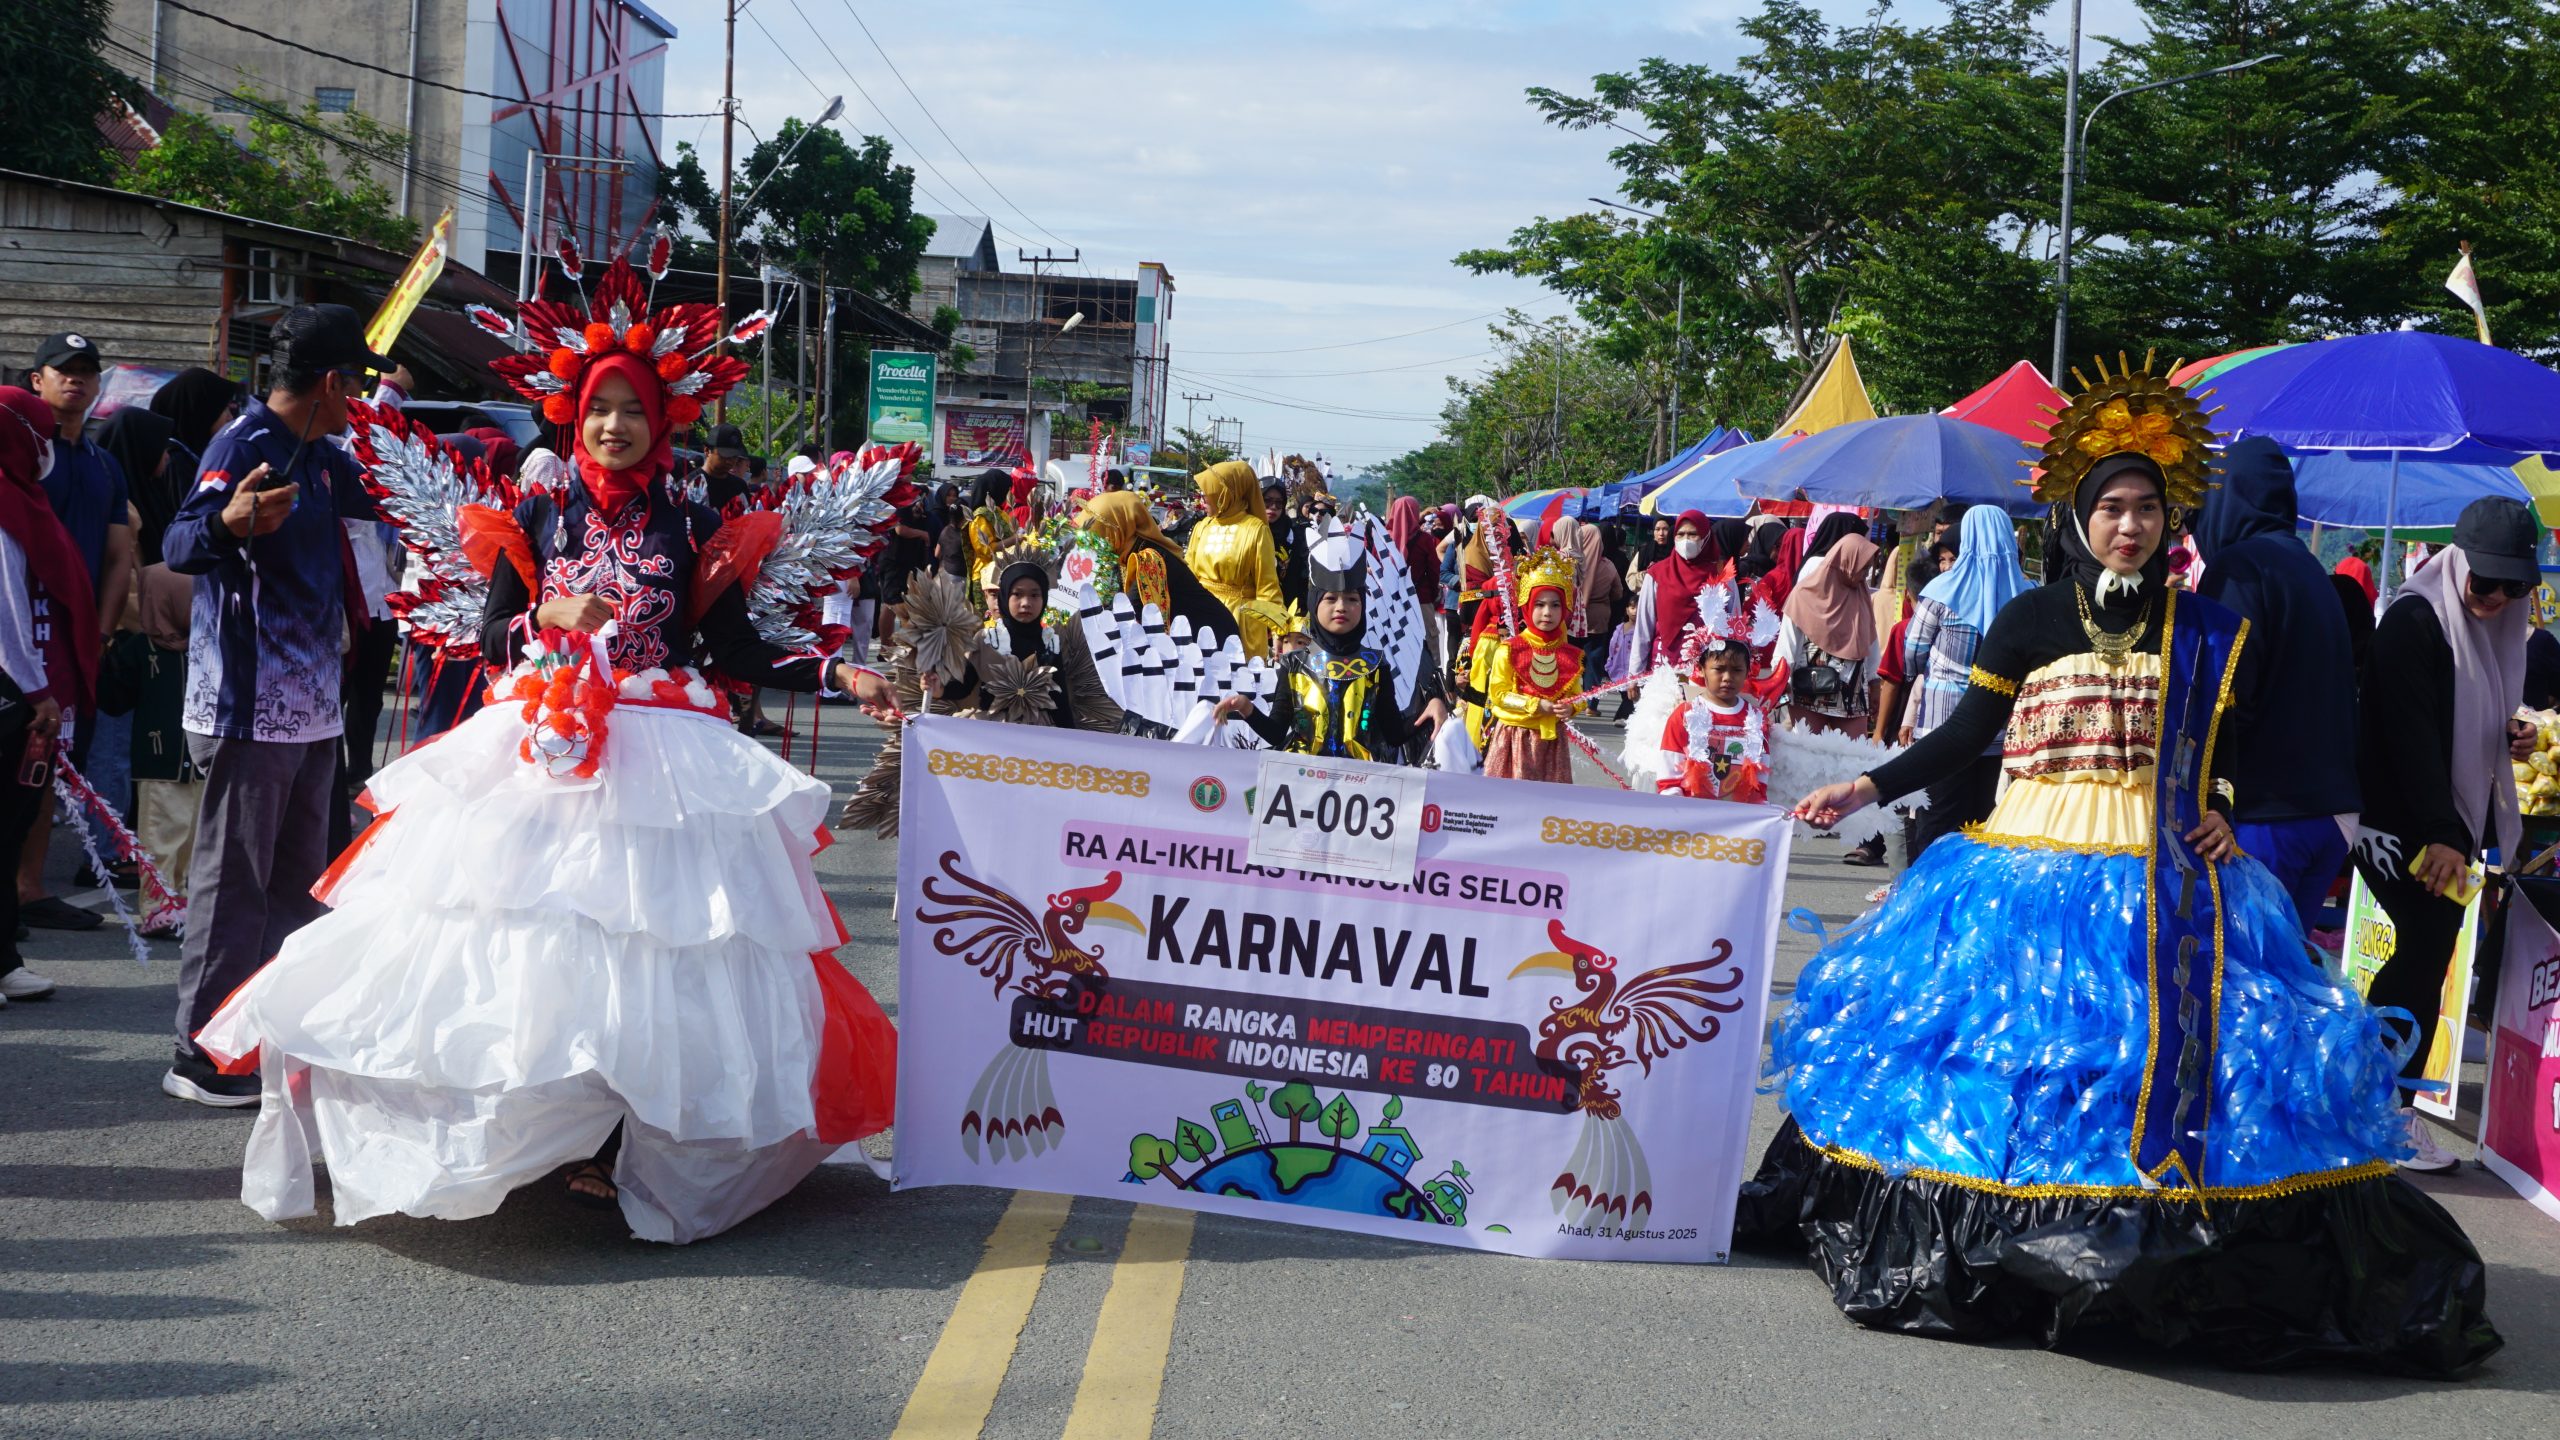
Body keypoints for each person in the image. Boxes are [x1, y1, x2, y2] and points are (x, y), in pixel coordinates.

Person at [1754, 366, 2498, 1373]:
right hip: (2024, 863)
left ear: (2170, 518)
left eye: (2148, 509)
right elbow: (1967, 735)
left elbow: (2224, 757)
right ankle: (2010, 1248)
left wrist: (2225, 815)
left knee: (2171, 1057)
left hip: (2170, 876)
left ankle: (2157, 1259)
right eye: (2110, 508)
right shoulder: (2026, 622)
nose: (2129, 527)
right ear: (2077, 514)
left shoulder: (2207, 626)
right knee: (2020, 1056)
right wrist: (1865, 789)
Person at [193, 265, 901, 1239]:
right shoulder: (540, 514)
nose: (614, 425)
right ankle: (532, 1130)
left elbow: (731, 651)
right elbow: (490, 638)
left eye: (632, 410)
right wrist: (545, 616)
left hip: (664, 757)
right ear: (575, 417)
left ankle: (620, 1139)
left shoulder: (692, 525)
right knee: (522, 946)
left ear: (662, 421)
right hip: (542, 742)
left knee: (654, 953)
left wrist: (843, 678)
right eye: (599, 409)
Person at [156, 306, 384, 1104]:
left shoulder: (323, 454)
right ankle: (200, 1054)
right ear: (332, 381)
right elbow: (180, 545)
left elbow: (389, 508)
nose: (361, 399)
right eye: (357, 384)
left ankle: (271, 1033)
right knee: (235, 882)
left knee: (299, 885)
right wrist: (228, 519)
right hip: (248, 708)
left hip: (314, 708)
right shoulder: (242, 444)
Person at [2354, 496, 2542, 1175]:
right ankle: (2385, 1111)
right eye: (2483, 581)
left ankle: (2376, 1104)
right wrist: (2440, 835)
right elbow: (2409, 739)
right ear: (2454, 562)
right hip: (2403, 824)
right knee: (2427, 947)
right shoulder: (2414, 620)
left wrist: (2507, 734)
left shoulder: (2483, 629)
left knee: (2431, 951)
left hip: (2446, 827)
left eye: (2513, 585)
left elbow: (2461, 718)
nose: (2495, 597)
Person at [2195, 438, 2361, 931]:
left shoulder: (2240, 567)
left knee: (2241, 983)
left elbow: (2227, 694)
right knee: (2285, 983)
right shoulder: (2305, 565)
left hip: (2266, 814)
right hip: (2330, 813)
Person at [23, 333, 135, 932]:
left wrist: (102, 630)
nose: (77, 381)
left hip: (75, 638)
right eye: (64, 371)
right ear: (36, 379)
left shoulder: (102, 462)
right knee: (15, 759)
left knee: (52, 762)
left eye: (88, 372)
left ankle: (28, 888)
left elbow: (120, 555)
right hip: (19, 629)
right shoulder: (22, 449)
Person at [0, 388, 98, 1003]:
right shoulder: (5, 504)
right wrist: (39, 692)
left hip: (17, 689)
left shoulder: (22, 500)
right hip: (11, 691)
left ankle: (3, 955)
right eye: (40, 432)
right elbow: (7, 611)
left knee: (8, 831)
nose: (48, 446)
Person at [1220, 533, 1445, 759]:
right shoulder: (1294, 664)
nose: (1341, 607)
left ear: (1362, 605)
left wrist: (1430, 708)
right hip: (1301, 781)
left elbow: (1394, 734)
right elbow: (1277, 734)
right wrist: (1246, 707)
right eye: (1330, 599)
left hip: (1361, 785)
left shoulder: (1376, 665)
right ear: (1315, 603)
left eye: (1352, 599)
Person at [1900, 506, 2027, 854]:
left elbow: (1912, 653)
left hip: (1944, 725)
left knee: (1937, 819)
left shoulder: (1942, 590)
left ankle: (1925, 900)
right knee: (1985, 822)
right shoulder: (2028, 592)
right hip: (2001, 727)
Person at [1474, 546, 1582, 783]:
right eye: (1539, 604)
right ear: (1527, 606)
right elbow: (1499, 694)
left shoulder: (1571, 655)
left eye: (1555, 605)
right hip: (1514, 738)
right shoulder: (1510, 649)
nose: (1547, 613)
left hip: (1552, 742)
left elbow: (1577, 695)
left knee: (1549, 811)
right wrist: (1535, 704)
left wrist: (1571, 708)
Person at [1078, 490, 1236, 643]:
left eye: (1096, 536)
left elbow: (1124, 611)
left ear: (1115, 529)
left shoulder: (1150, 560)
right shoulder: (1127, 554)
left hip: (1214, 641)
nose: (1093, 546)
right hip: (1195, 638)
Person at [1653, 598, 1771, 805]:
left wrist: (1759, 807)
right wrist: (1672, 803)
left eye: (1736, 670)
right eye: (1719, 669)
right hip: (1690, 812)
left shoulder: (1755, 717)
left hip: (1737, 814)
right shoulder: (1685, 713)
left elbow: (1760, 772)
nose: (1727, 677)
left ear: (1747, 673)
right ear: (1701, 669)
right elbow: (1669, 766)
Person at [1777, 531, 1876, 734]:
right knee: (1807, 754)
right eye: (1862, 568)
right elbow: (1787, 643)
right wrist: (1781, 682)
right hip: (1809, 688)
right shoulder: (1804, 595)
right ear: (1845, 563)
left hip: (1852, 690)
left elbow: (1871, 640)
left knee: (1853, 758)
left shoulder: (1861, 594)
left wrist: (1875, 681)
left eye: (1867, 569)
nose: (1865, 574)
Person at [1183, 460, 1284, 654]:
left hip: (1239, 619)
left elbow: (1267, 586)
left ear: (1227, 492)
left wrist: (1279, 630)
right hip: (1201, 614)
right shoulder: (1202, 527)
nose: (1203, 497)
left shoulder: (1256, 530)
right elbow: (1188, 575)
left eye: (1210, 491)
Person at [1626, 510, 1733, 674]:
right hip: (1663, 667)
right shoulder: (1657, 574)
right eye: (1681, 534)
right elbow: (1644, 626)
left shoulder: (1722, 576)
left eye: (1693, 534)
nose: (1686, 540)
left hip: (1708, 669)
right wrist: (1634, 672)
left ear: (1706, 537)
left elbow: (1733, 622)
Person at [1265, 480, 1308, 613]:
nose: (1273, 507)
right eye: (1267, 501)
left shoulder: (1292, 533)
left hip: (1285, 607)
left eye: (1279, 503)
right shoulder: (1244, 531)